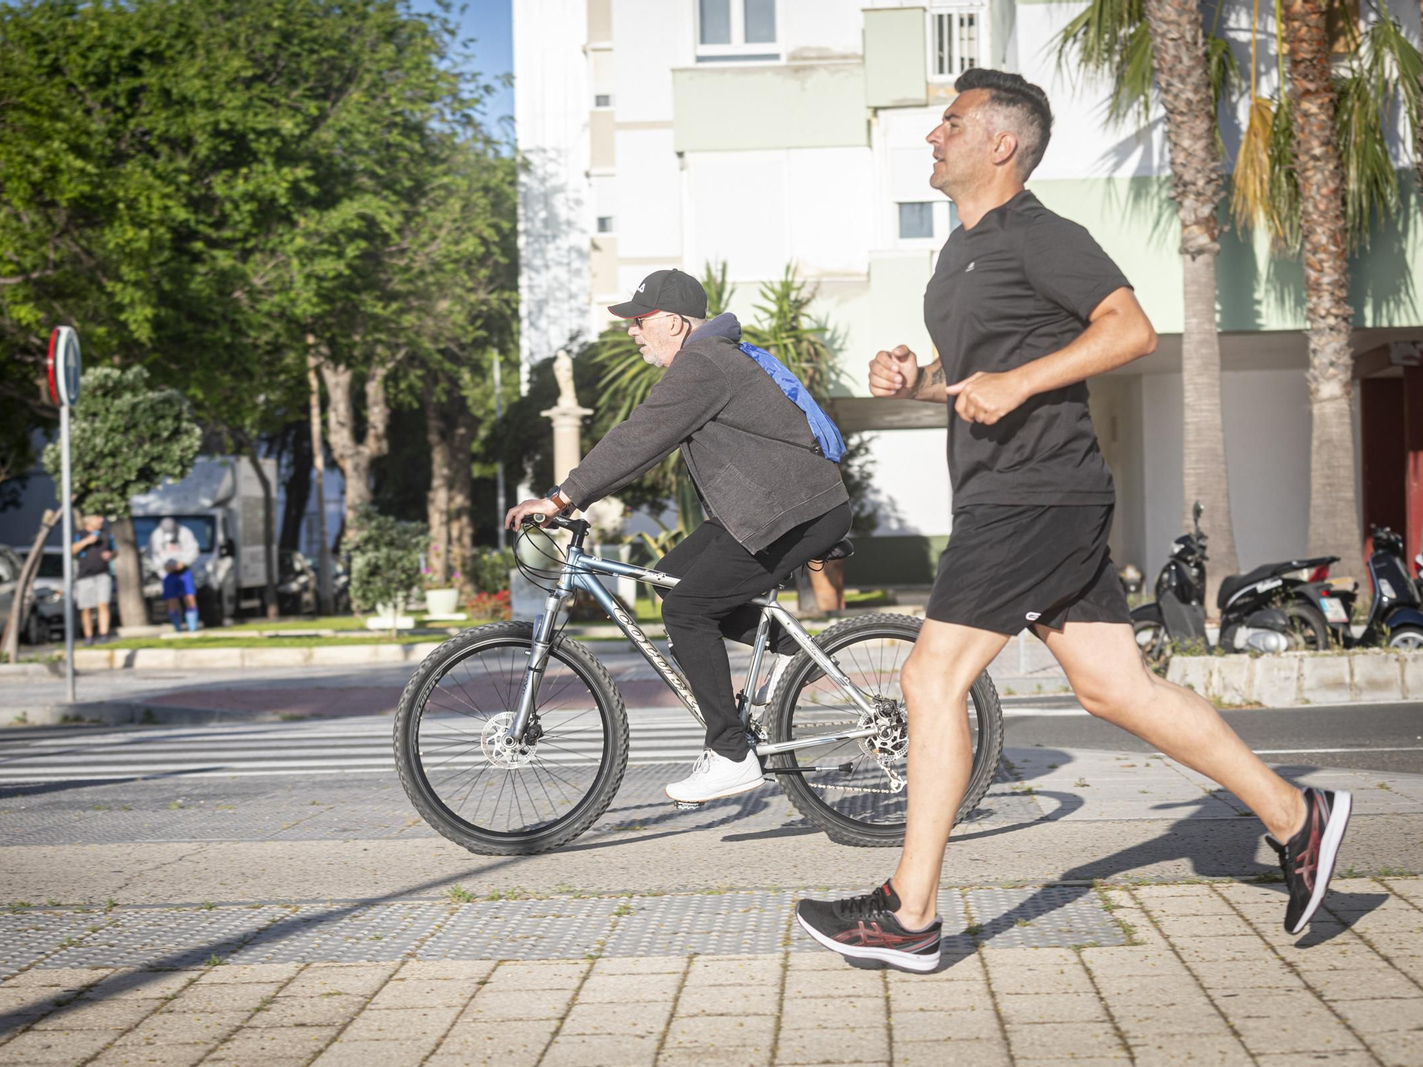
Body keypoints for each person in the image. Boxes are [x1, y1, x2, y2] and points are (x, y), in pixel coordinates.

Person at [795, 69, 1349, 972]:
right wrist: (920, 378)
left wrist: (1017, 383)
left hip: (1032, 492)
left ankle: (910, 911)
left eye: (951, 122)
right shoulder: (958, 251)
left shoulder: (1043, 235)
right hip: (1019, 492)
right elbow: (982, 364)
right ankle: (1298, 816)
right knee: (1115, 687)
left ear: (1001, 143)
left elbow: (1129, 329)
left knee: (930, 680)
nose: (933, 136)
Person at [505, 269, 851, 804]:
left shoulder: (703, 364)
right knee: (670, 582)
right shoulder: (709, 359)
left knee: (686, 610)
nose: (632, 332)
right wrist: (575, 497)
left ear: (672, 321)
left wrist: (560, 500)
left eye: (639, 322)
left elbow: (637, 438)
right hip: (773, 512)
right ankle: (789, 653)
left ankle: (732, 755)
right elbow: (643, 445)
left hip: (794, 513)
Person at [148, 518, 202, 631]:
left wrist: (184, 563)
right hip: (167, 573)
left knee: (189, 597)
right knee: (171, 600)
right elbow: (153, 555)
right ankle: (177, 627)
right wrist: (163, 568)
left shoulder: (185, 532)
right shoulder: (156, 535)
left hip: (184, 570)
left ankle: (192, 627)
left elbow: (193, 550)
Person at [72, 512, 115, 645]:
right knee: (86, 607)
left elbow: (115, 550)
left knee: (103, 604)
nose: (102, 520)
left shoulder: (107, 534)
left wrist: (111, 554)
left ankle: (104, 634)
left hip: (103, 574)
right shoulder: (80, 534)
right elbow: (72, 550)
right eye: (98, 517)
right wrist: (87, 541)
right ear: (89, 520)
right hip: (85, 576)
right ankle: (88, 636)